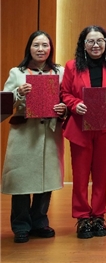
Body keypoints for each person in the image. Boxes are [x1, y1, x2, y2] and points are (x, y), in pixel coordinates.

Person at [2, 31, 67, 243]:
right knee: (21, 181)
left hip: (49, 133)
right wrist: (18, 93)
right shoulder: (17, 72)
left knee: (45, 179)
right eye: (36, 45)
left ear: (51, 48)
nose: (41, 49)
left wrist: (64, 108)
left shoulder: (60, 72)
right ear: (29, 48)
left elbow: (67, 99)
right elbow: (3, 105)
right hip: (25, 134)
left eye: (45, 45)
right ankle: (21, 225)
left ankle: (40, 222)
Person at [61, 26, 106, 239]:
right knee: (80, 176)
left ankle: (98, 215)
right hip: (80, 127)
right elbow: (64, 93)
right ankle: (82, 217)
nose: (96, 45)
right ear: (83, 44)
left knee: (101, 175)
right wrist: (74, 104)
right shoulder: (72, 66)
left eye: (100, 41)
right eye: (91, 41)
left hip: (105, 127)